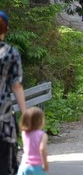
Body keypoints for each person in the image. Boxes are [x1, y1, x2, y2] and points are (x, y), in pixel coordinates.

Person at [0, 11, 27, 175]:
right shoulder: (11, 53)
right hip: (4, 118)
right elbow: (16, 86)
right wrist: (25, 115)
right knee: (6, 163)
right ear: (6, 29)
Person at [18, 107, 48, 175]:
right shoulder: (43, 135)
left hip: (24, 165)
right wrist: (45, 164)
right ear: (40, 121)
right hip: (36, 167)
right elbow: (42, 149)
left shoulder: (24, 133)